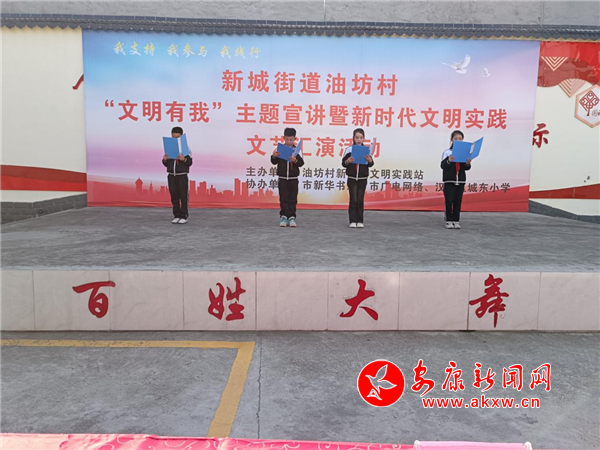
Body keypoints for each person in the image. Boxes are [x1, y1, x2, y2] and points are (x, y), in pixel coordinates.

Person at [270, 127, 305, 227]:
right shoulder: (279, 149)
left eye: (291, 139)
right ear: (283, 138)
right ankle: (284, 217)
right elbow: (273, 162)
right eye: (287, 139)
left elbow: (301, 163)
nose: (289, 141)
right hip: (282, 178)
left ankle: (292, 217)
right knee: (283, 198)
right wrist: (274, 156)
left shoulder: (297, 150)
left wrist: (295, 161)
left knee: (293, 198)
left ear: (295, 139)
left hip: (293, 179)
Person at [341, 128, 374, 228]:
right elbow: (343, 163)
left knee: (360, 199)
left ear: (363, 138)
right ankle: (352, 221)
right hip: (352, 178)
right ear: (353, 138)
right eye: (357, 137)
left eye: (361, 138)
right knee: (353, 199)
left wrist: (369, 160)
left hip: (362, 178)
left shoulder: (366, 150)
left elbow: (371, 164)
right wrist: (348, 161)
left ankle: (360, 220)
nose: (359, 140)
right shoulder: (349, 150)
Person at [441, 129, 472, 229]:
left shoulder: (464, 153)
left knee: (458, 201)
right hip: (450, 180)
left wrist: (467, 163)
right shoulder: (447, 153)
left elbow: (466, 168)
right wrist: (449, 160)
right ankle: (449, 221)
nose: (458, 140)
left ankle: (456, 220)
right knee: (449, 200)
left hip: (460, 181)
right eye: (456, 139)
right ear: (452, 140)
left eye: (460, 139)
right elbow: (443, 166)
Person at [162, 126, 193, 224]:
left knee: (183, 196)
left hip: (182, 175)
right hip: (171, 175)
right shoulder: (169, 148)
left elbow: (189, 162)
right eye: (173, 137)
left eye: (177, 137)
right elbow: (167, 164)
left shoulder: (186, 149)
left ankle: (184, 216)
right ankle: (176, 215)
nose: (175, 139)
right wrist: (165, 160)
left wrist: (184, 159)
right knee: (174, 196)